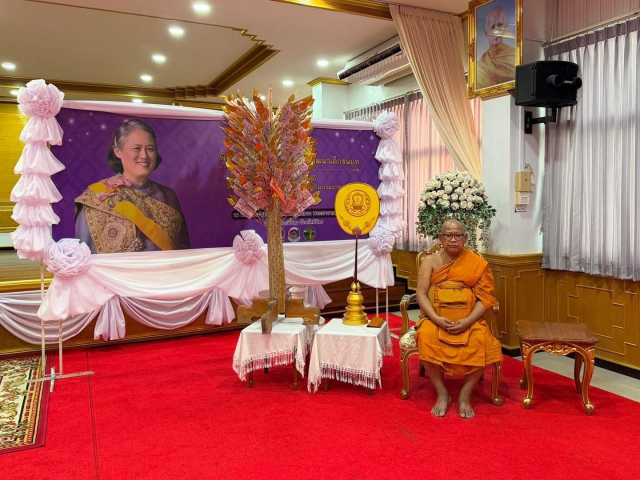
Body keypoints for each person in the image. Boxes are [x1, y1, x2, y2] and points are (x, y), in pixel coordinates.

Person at [414, 218, 501, 418]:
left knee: (483, 340)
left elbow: (485, 298)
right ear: (441, 237)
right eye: (448, 235)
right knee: (425, 336)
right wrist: (436, 319)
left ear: (465, 237)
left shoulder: (476, 264)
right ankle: (442, 392)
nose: (453, 240)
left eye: (458, 235)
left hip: (468, 320)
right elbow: (421, 293)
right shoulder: (430, 261)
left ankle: (465, 394)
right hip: (435, 319)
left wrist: (468, 321)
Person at [75, 119, 190, 253]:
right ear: (118, 151)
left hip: (165, 267)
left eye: (150, 149)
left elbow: (183, 252)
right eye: (136, 148)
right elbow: (81, 254)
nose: (144, 156)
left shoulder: (168, 196)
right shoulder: (97, 196)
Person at [476, 5, 516, 90]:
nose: (496, 31)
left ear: (506, 27)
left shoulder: (514, 55)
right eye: (492, 27)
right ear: (486, 32)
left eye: (500, 25)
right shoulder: (480, 66)